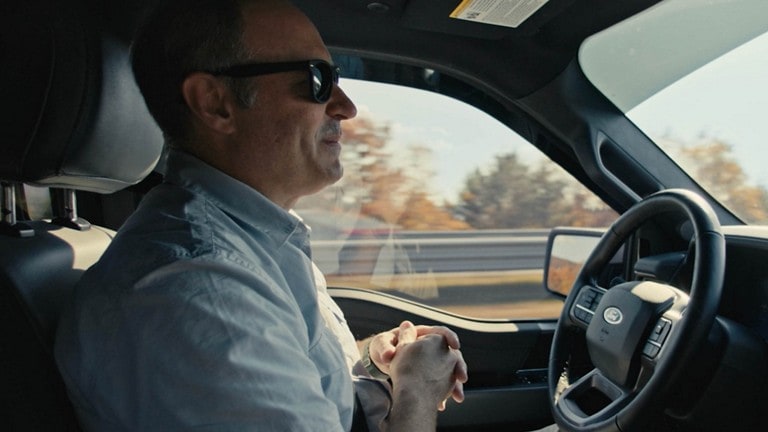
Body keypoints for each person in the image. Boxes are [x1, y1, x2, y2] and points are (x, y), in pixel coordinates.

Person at [54, 0, 467, 431]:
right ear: (216, 103)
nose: (346, 106)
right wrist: (416, 391)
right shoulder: (196, 291)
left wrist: (371, 359)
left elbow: (291, 365)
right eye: (316, 80)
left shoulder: (248, 241)